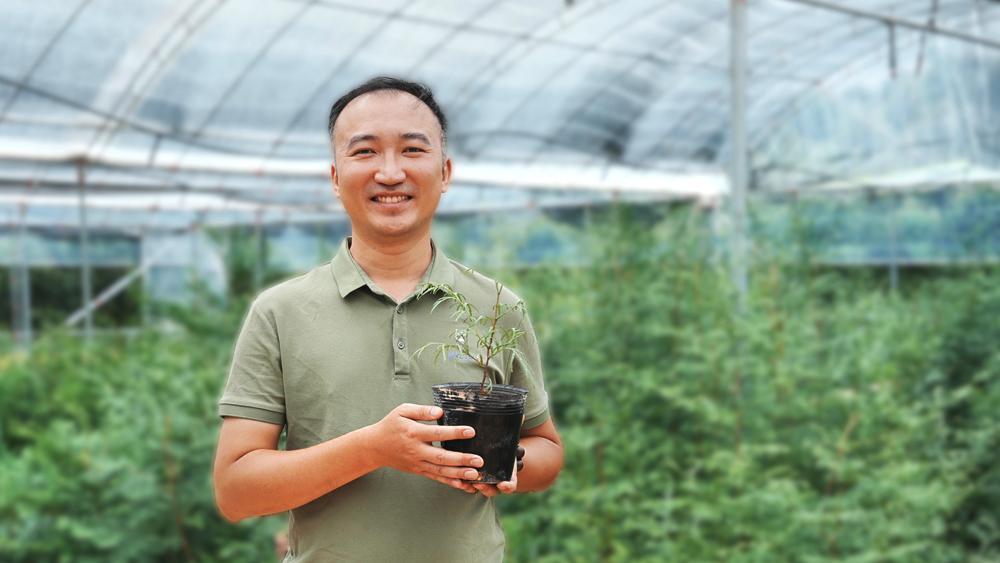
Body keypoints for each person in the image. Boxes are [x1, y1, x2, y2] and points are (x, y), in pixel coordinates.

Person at [212, 76, 564, 562]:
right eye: (365, 152)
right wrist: (373, 449)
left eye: (413, 150)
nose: (391, 172)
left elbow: (545, 448)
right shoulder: (280, 312)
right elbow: (236, 492)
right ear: (335, 178)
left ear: (445, 172)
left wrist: (505, 462)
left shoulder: (498, 306)